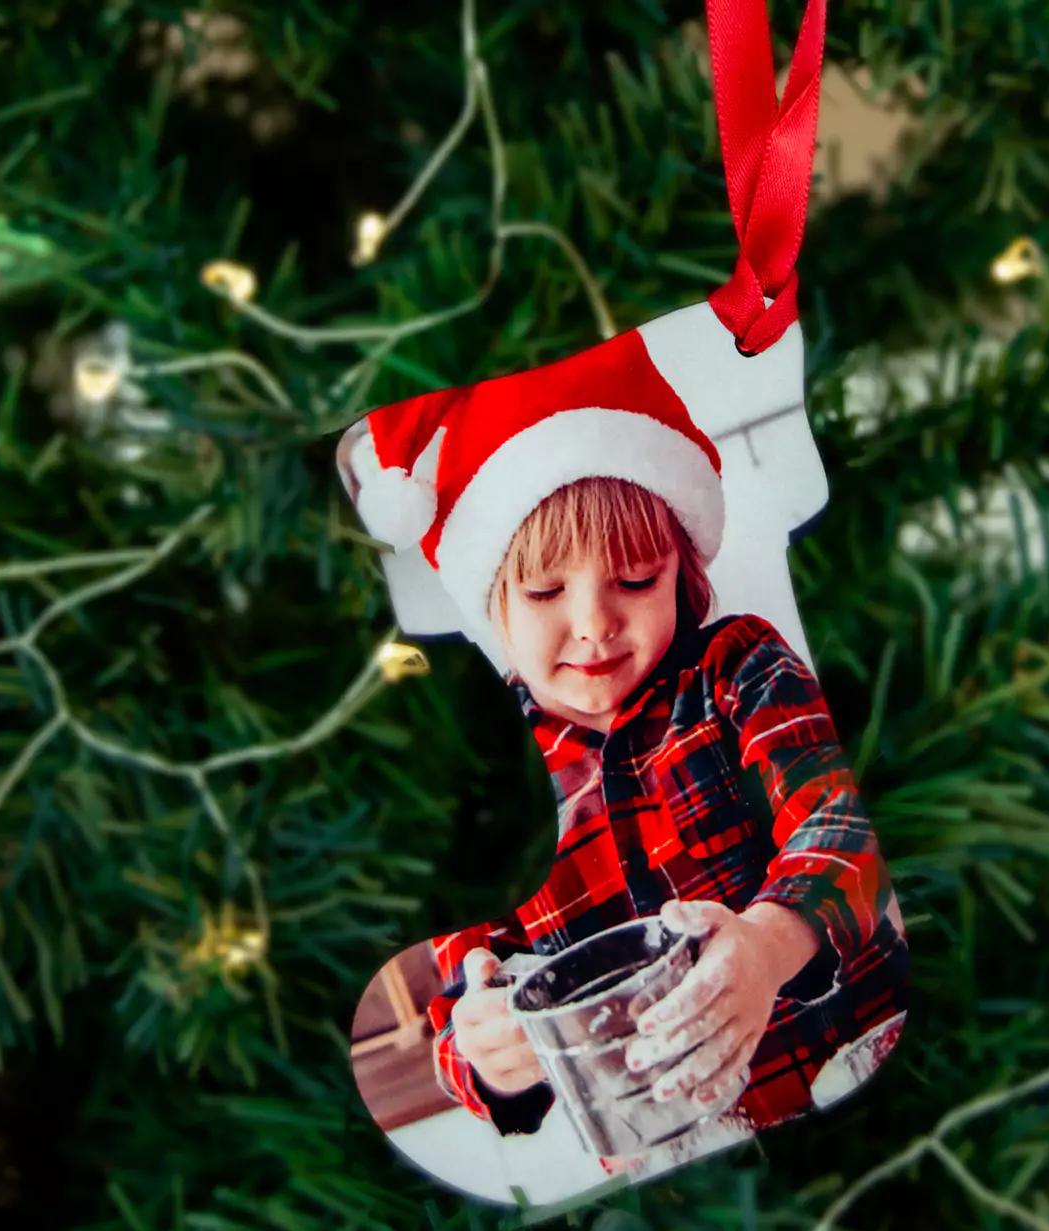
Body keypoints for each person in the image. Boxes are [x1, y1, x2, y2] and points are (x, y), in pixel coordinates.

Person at [336, 327, 908, 1150]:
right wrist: (487, 1051)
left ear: (683, 567)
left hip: (857, 1077)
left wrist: (769, 942)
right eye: (544, 592)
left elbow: (843, 824)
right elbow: (462, 998)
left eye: (636, 580)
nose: (596, 624)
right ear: (492, 604)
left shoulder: (738, 671)